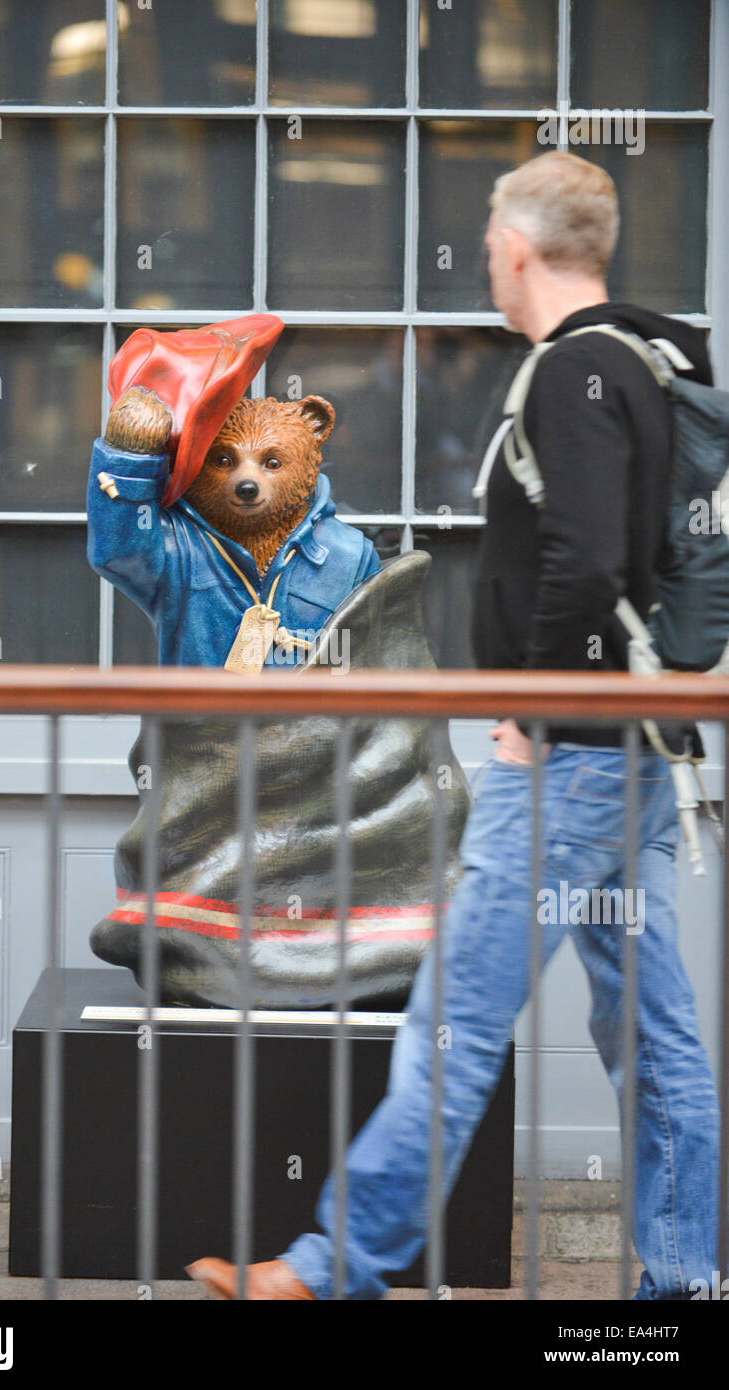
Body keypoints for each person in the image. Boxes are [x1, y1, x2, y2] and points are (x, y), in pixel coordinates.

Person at [186, 152, 721, 1300]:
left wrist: (531, 716)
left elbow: (588, 559)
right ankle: (681, 1284)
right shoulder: (648, 356)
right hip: (634, 748)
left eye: (487, 241)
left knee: (452, 1024)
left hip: (571, 757)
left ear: (519, 248)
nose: (483, 259)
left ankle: (330, 1269)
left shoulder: (575, 372)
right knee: (655, 1030)